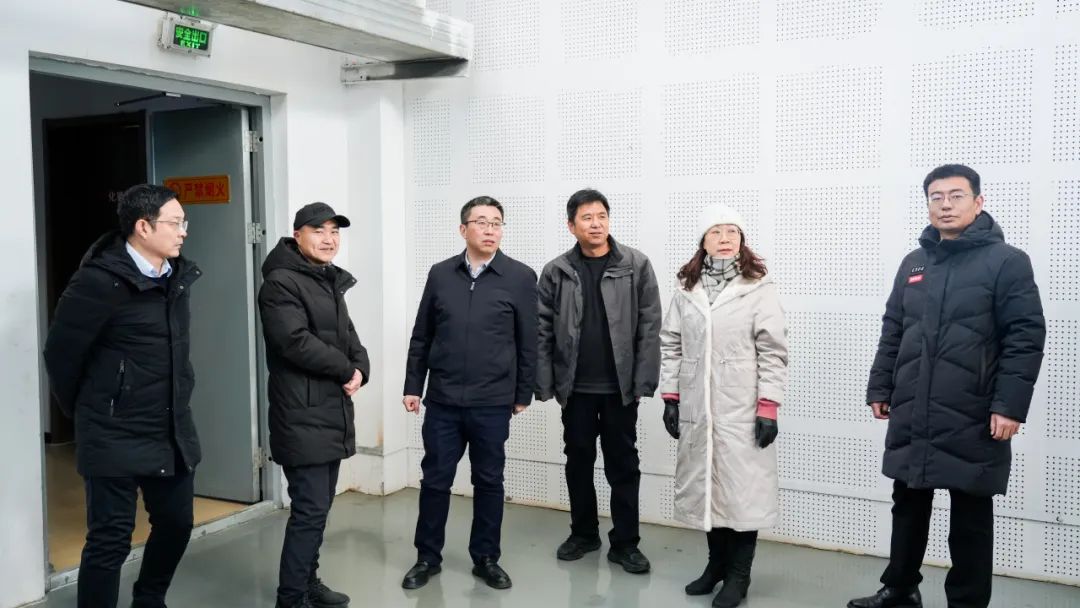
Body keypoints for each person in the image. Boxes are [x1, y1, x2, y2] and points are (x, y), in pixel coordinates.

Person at [848, 165, 1045, 608]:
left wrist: (1009, 406)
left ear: (978, 202)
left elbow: (1025, 337)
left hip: (973, 410)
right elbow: (894, 328)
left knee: (971, 513)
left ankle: (967, 603)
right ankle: (900, 588)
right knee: (908, 501)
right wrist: (880, 387)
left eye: (956, 196)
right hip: (913, 404)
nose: (945, 205)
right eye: (936, 197)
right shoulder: (914, 263)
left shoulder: (1007, 262)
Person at [44, 184, 202, 608]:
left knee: (176, 523)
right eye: (175, 223)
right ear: (143, 227)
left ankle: (149, 600)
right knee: (110, 538)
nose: (183, 231)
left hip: (168, 426)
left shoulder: (177, 277)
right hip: (112, 431)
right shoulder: (98, 282)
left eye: (183, 222)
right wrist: (91, 411)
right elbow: (61, 354)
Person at [401, 196, 538, 591]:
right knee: (435, 480)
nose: (490, 229)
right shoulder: (440, 274)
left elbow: (529, 341)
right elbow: (422, 334)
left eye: (496, 222)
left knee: (489, 481)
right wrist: (413, 386)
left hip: (492, 402)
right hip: (443, 400)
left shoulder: (520, 276)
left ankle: (486, 558)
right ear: (463, 229)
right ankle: (427, 557)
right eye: (481, 222)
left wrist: (523, 393)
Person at [659, 204, 788, 608]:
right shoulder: (686, 289)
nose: (725, 238)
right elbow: (672, 344)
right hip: (699, 409)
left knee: (742, 494)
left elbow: (773, 351)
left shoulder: (759, 288)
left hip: (741, 409)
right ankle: (715, 566)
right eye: (716, 232)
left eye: (732, 231)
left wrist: (768, 406)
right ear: (703, 241)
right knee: (707, 488)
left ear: (742, 240)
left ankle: (739, 576)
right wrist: (671, 397)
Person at [535, 188, 661, 572]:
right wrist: (546, 383)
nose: (596, 224)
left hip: (620, 388)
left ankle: (626, 543)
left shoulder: (635, 265)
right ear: (571, 225)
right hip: (575, 387)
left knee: (623, 465)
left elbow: (650, 325)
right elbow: (541, 329)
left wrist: (643, 381)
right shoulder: (557, 270)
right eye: (587, 218)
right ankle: (584, 533)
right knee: (578, 460)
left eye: (601, 216)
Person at [259, 202, 370, 608]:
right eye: (319, 230)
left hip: (328, 410)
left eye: (334, 231)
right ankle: (290, 598)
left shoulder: (327, 280)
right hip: (300, 412)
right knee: (309, 510)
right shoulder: (281, 283)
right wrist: (345, 369)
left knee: (319, 508)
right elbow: (294, 341)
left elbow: (348, 336)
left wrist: (361, 367)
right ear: (297, 235)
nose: (329, 239)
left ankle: (309, 584)